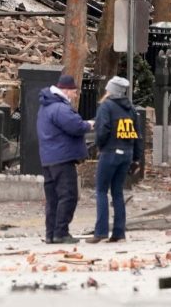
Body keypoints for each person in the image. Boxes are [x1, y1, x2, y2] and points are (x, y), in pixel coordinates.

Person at [86, 76, 143, 243]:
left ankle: (101, 231)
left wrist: (99, 146)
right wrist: (136, 158)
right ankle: (119, 232)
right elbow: (138, 135)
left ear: (111, 91)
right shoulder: (131, 109)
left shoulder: (106, 107)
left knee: (101, 191)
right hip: (127, 154)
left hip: (110, 152)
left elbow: (102, 130)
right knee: (117, 192)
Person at [37, 74, 93, 244]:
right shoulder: (60, 108)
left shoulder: (46, 106)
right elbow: (75, 126)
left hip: (48, 158)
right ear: (67, 91)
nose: (76, 96)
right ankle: (61, 232)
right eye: (75, 92)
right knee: (68, 196)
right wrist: (89, 124)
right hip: (62, 158)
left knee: (53, 198)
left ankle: (51, 233)